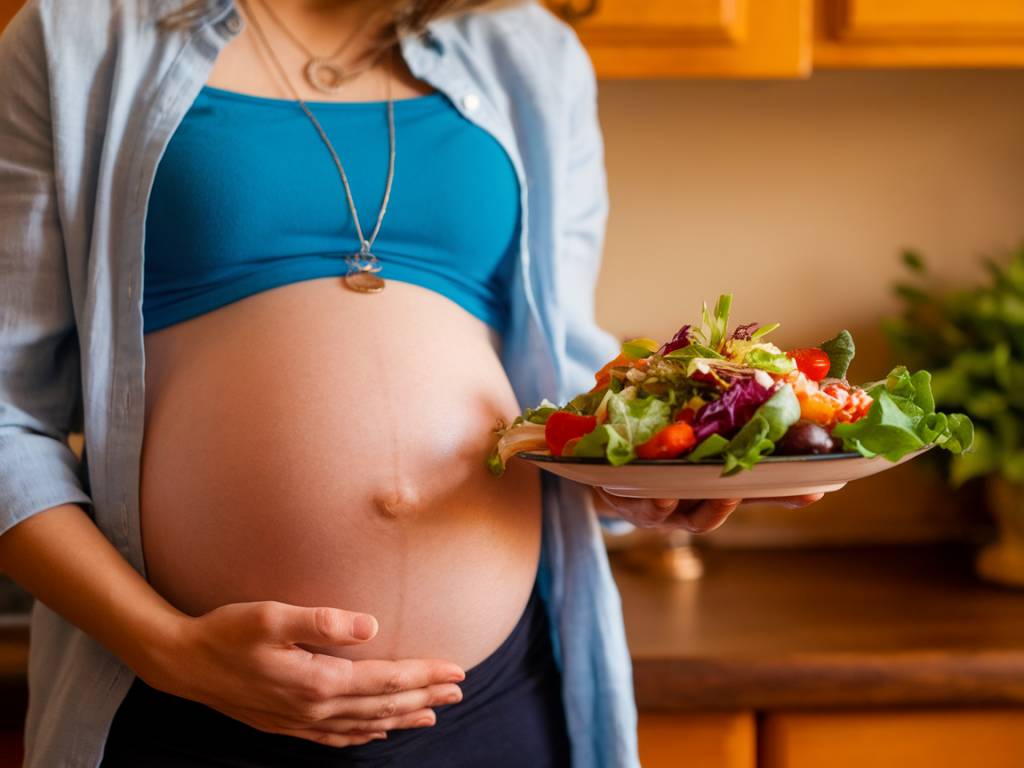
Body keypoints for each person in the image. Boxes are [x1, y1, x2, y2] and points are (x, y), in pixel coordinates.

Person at [0, 1, 821, 766]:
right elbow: (6, 419)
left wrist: (644, 475)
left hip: (496, 699)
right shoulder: (79, 34)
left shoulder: (529, 53)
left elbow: (562, 382)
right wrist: (168, 651)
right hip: (186, 700)